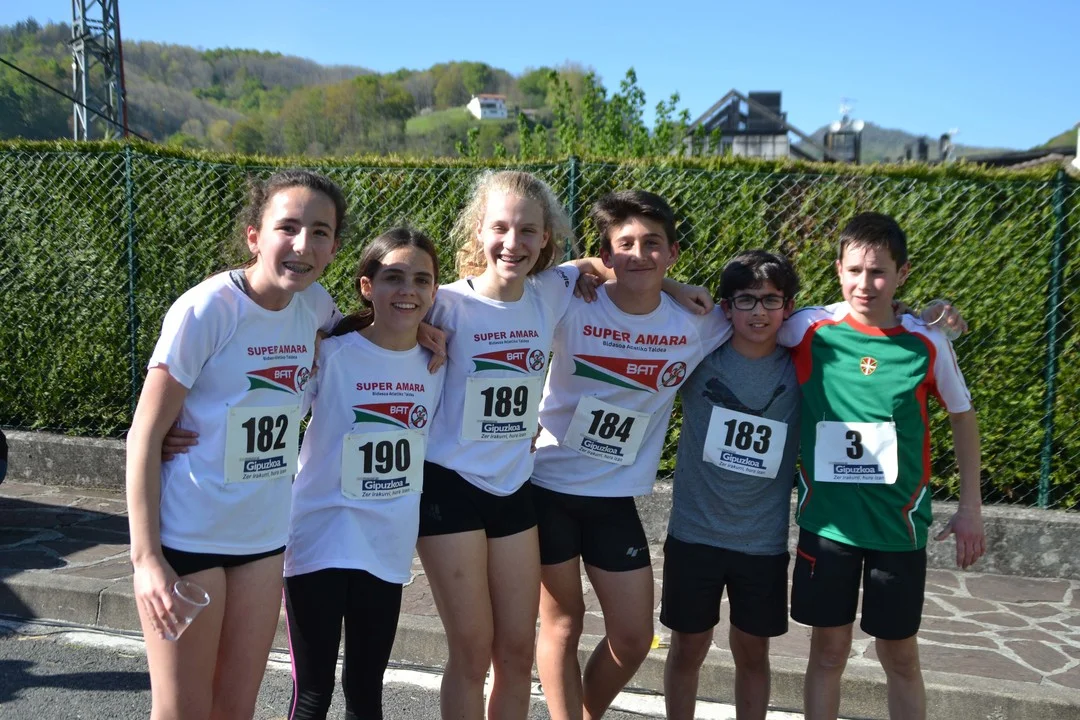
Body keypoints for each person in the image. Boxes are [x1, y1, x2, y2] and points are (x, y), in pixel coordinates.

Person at [126, 169, 346, 720]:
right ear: (254, 236)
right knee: (182, 711)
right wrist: (146, 560)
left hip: (264, 543)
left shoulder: (316, 306)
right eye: (287, 227)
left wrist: (423, 333)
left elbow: (363, 338)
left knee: (235, 708)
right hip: (189, 539)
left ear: (334, 247)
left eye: (320, 232)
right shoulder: (206, 310)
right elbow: (144, 435)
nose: (303, 245)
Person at [530, 190, 732, 720]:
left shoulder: (695, 321)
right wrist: (598, 267)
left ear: (674, 252)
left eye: (653, 244)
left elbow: (772, 318)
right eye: (625, 245)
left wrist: (907, 317)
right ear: (607, 253)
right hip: (547, 487)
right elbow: (534, 275)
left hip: (614, 499)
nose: (639, 254)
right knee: (563, 623)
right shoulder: (575, 301)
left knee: (634, 636)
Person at [780, 212, 984, 720]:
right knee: (828, 654)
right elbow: (736, 316)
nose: (864, 284)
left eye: (878, 272)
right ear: (838, 270)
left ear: (902, 273)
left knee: (900, 657)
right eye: (854, 271)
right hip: (828, 525)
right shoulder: (807, 328)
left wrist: (971, 509)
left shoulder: (926, 341)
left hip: (898, 529)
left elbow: (963, 417)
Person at [416, 170, 590, 720]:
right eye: (500, 228)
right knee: (472, 654)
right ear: (478, 230)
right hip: (449, 487)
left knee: (515, 655)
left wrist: (677, 290)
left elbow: (604, 264)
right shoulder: (442, 303)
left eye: (527, 231)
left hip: (514, 487)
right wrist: (414, 329)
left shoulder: (550, 292)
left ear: (546, 239)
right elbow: (365, 331)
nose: (513, 243)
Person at [283, 227, 445, 720]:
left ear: (434, 291)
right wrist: (180, 426)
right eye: (393, 277)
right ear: (367, 286)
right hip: (319, 537)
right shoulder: (329, 354)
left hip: (386, 544)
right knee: (312, 696)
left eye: (421, 280)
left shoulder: (440, 362)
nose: (408, 290)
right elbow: (265, 406)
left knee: (366, 694)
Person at [661, 250, 801, 720]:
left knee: (753, 653)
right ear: (726, 307)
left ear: (788, 306)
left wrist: (913, 313)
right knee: (687, 648)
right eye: (746, 300)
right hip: (694, 534)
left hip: (761, 542)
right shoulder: (700, 356)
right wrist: (675, 285)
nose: (759, 312)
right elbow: (645, 305)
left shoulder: (801, 365)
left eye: (770, 300)